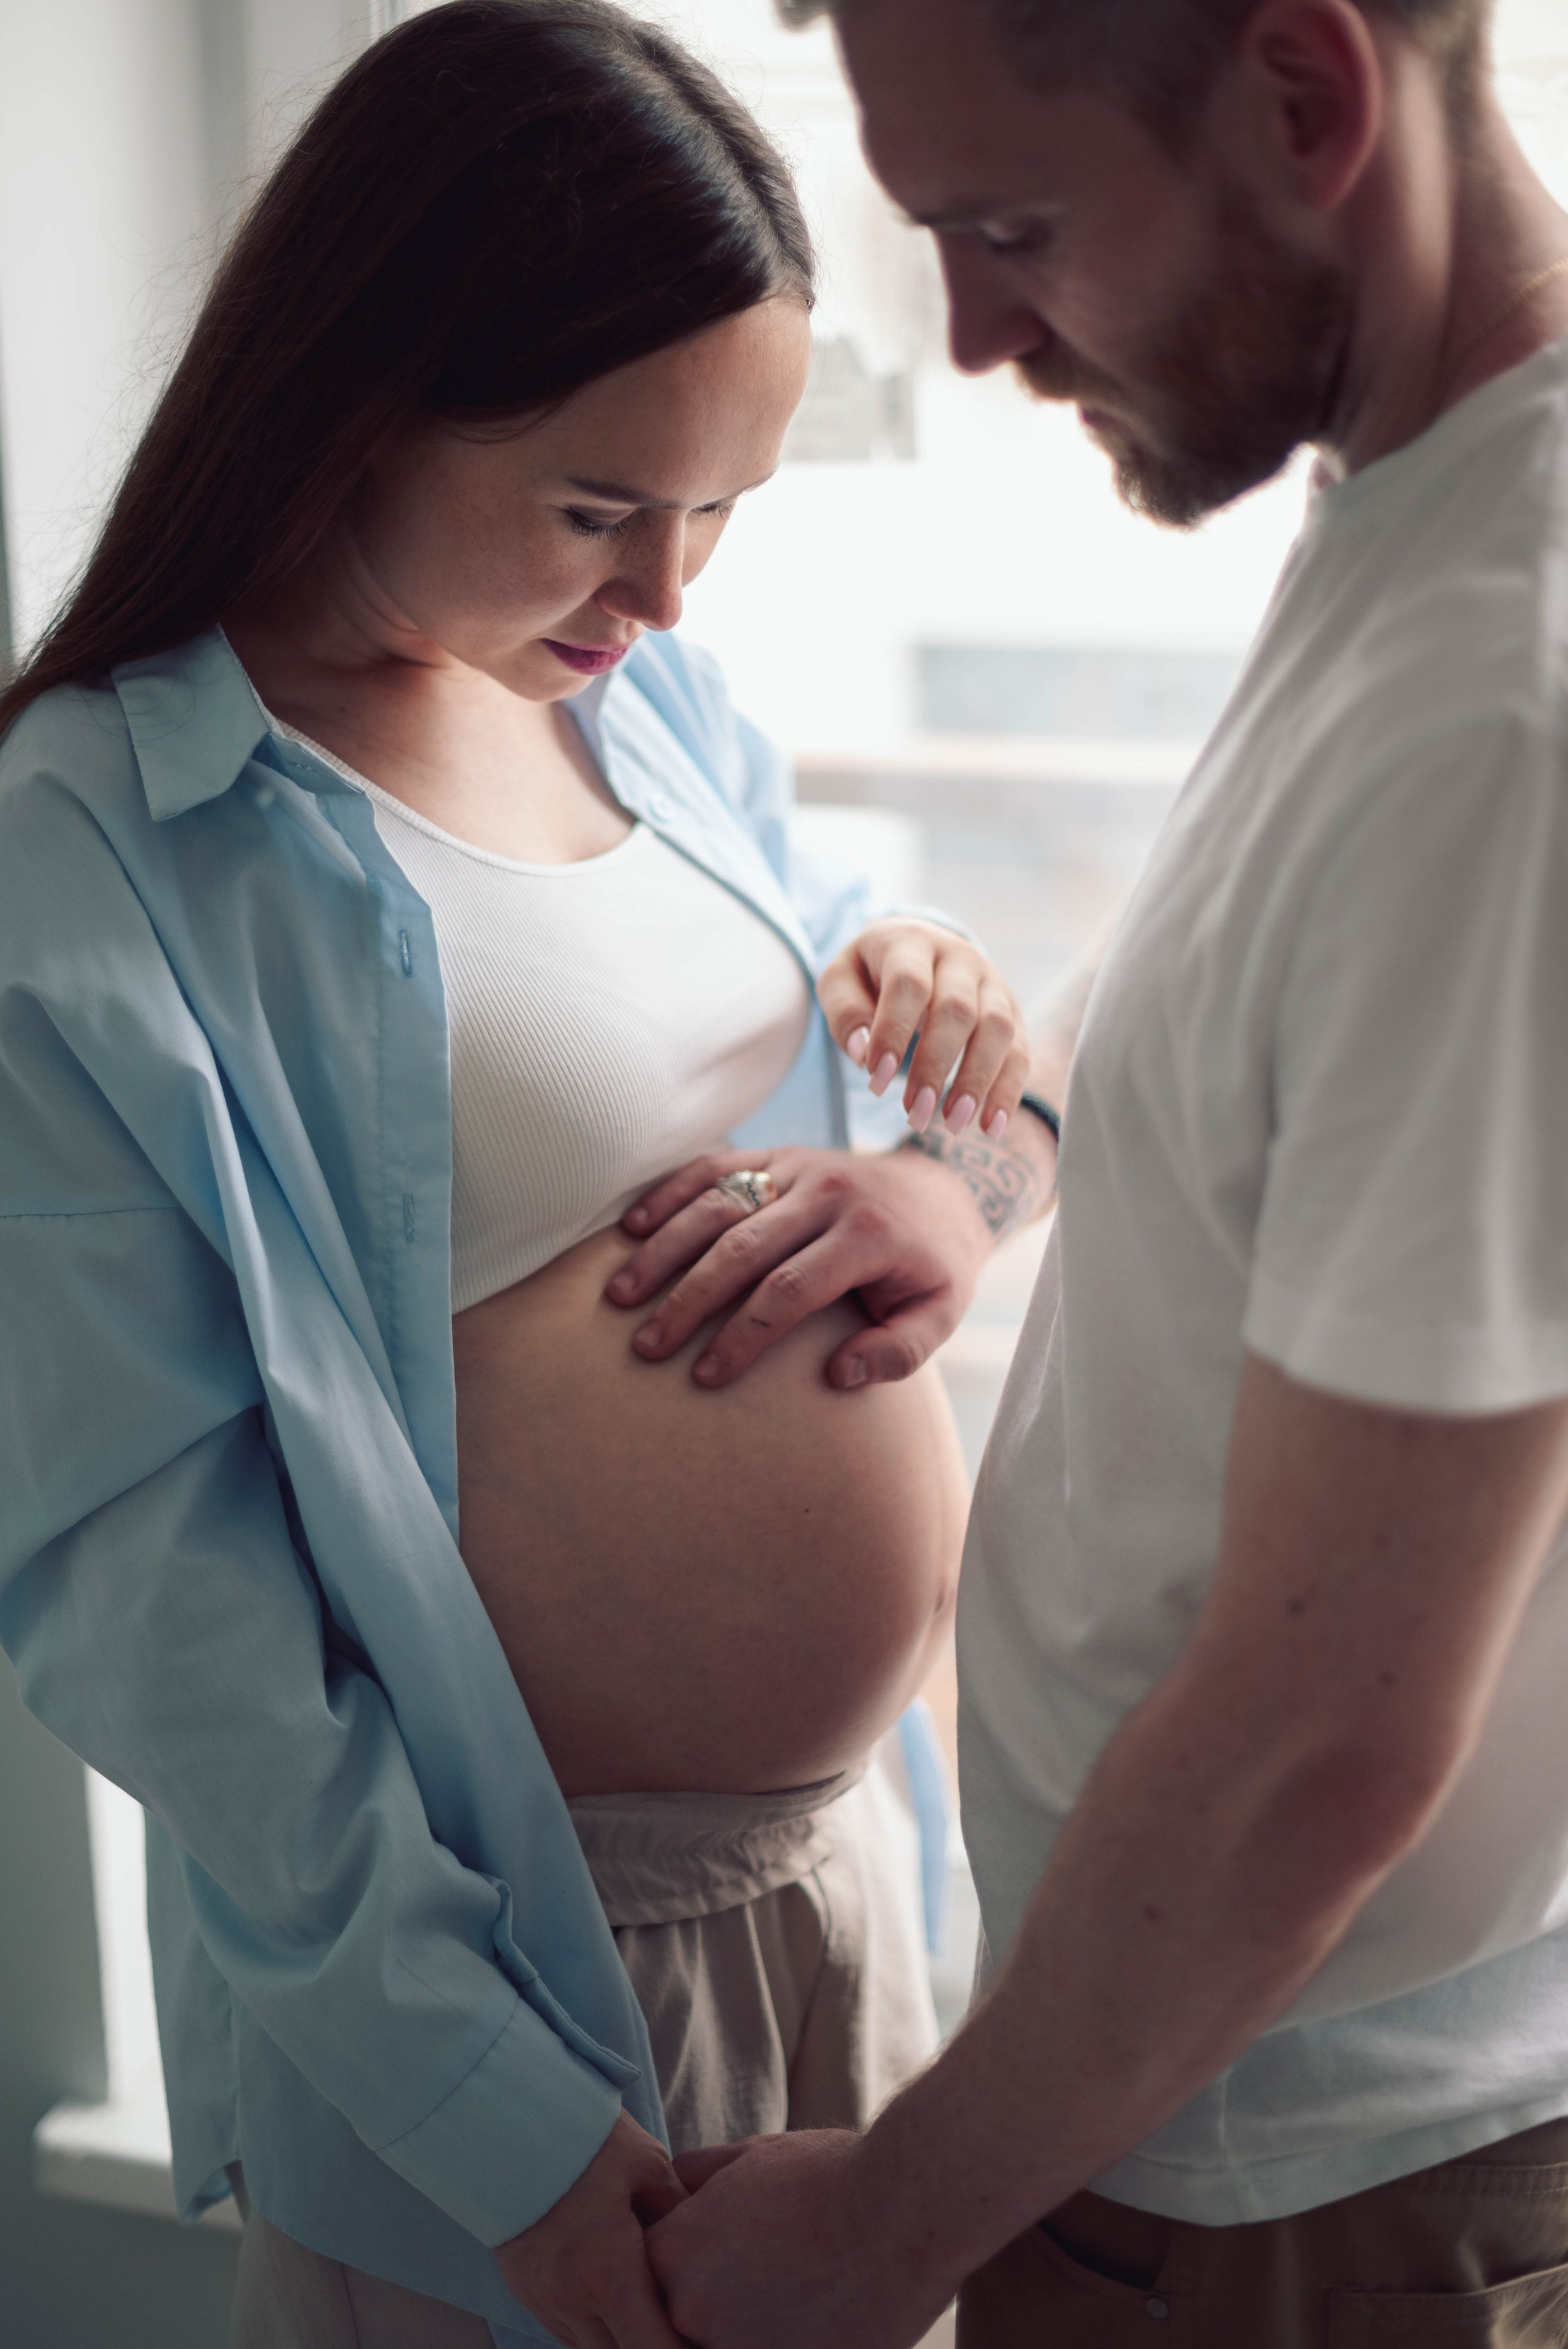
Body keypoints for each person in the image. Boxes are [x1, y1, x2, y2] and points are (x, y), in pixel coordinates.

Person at [0, 6, 1061, 2345]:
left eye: (724, 515)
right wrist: (495, 2105)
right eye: (605, 503)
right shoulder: (104, 835)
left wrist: (961, 1162)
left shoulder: (637, 702)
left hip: (848, 1884)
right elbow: (140, 1587)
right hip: (518, 1974)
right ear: (361, 385)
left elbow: (901, 1164)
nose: (673, 590)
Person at [644, 1, 1568, 2343]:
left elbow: (1327, 1736)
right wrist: (1006, 1155)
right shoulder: (1431, 496)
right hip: (1210, 2123)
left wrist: (883, 2229)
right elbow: (1272, 1004)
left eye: (1011, 227)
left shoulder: (1509, 702)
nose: (967, 333)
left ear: (1304, 92)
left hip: (1304, 2180)